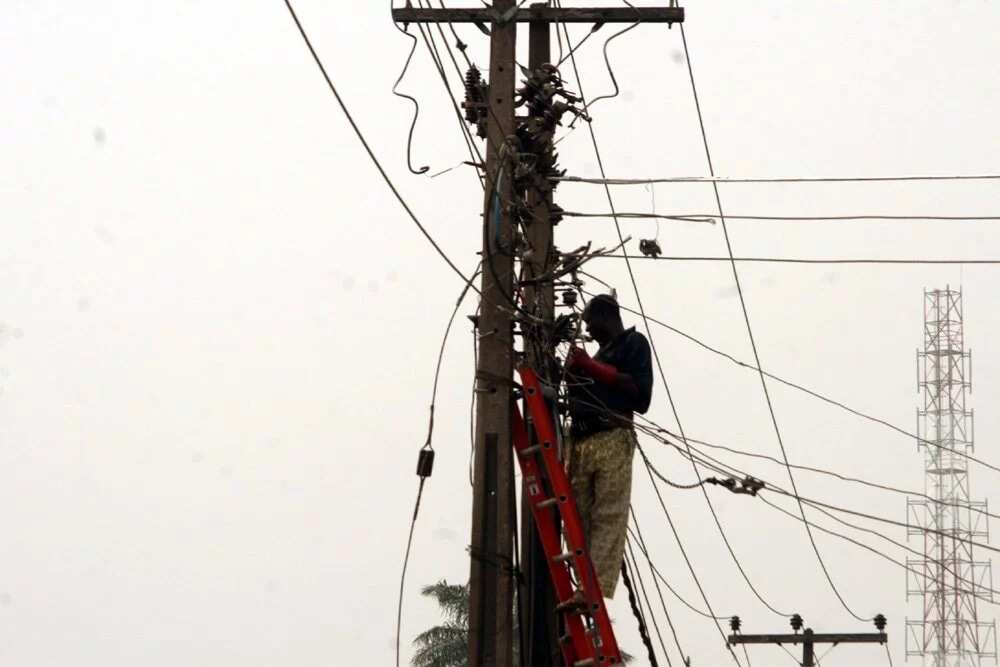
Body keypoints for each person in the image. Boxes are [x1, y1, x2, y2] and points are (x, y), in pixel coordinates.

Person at [565, 294, 653, 598]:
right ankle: (582, 584)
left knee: (607, 515)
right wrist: (574, 372)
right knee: (576, 517)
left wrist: (590, 366)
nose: (589, 332)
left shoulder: (634, 344)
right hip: (580, 441)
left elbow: (641, 396)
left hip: (613, 436)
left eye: (591, 324)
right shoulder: (599, 355)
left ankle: (594, 589)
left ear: (605, 316)